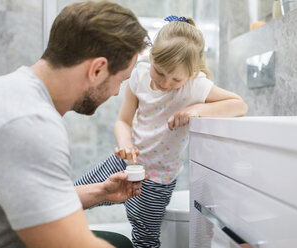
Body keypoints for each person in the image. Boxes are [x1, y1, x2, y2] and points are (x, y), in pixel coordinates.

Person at [0, 1, 149, 247]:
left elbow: (31, 198)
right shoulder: (30, 125)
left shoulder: (16, 89)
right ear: (98, 69)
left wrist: (102, 192)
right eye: (121, 80)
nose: (115, 93)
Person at [75, 15, 248, 248]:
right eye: (159, 72)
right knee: (71, 196)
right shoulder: (140, 76)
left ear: (191, 73)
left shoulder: (194, 86)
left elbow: (239, 105)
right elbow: (123, 122)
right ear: (151, 58)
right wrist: (125, 144)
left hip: (158, 179)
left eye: (175, 78)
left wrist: (197, 108)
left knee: (145, 238)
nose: (165, 83)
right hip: (125, 164)